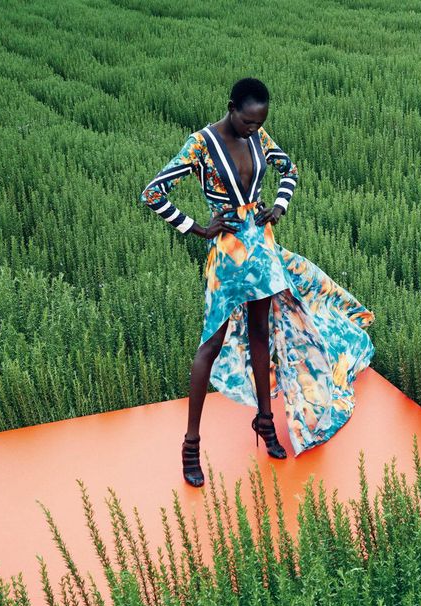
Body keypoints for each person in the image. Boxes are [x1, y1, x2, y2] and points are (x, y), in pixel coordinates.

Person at [140, 77, 376, 487]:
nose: (254, 128)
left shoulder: (259, 134)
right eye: (248, 121)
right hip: (229, 253)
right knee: (210, 343)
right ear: (231, 107)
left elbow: (290, 169)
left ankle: (265, 423)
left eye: (259, 122)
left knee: (261, 332)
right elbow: (153, 193)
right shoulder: (200, 144)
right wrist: (196, 228)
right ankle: (191, 445)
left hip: (261, 246)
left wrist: (279, 206)